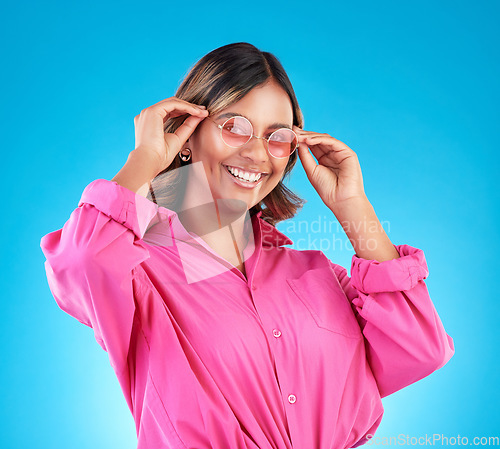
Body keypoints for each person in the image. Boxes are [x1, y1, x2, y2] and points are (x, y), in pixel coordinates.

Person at [40, 42, 455, 449]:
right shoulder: (138, 268)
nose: (258, 153)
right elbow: (81, 263)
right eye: (234, 127)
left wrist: (353, 206)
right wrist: (145, 158)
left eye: (277, 137)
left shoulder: (316, 273)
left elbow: (419, 349)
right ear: (185, 134)